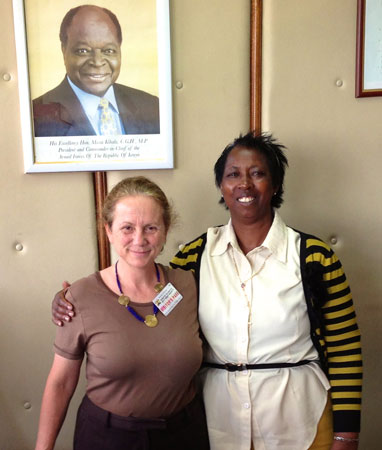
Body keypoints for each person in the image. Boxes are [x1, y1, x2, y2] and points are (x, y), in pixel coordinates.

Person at [53, 132, 362, 450]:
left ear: (276, 185)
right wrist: (74, 302)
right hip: (219, 426)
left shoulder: (313, 256)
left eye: (257, 173)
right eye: (233, 175)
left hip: (300, 422)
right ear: (221, 187)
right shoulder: (193, 259)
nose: (244, 184)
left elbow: (345, 349)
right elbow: (148, 306)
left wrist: (347, 434)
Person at [36, 177, 210, 450]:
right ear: (109, 231)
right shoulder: (79, 298)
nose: (139, 239)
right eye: (127, 228)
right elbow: (59, 384)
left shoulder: (188, 284)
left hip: (184, 435)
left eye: (151, 227)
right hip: (108, 438)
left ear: (165, 231)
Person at [33, 5, 160, 137]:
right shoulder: (36, 118)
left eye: (108, 51)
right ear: (64, 50)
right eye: (83, 51)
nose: (98, 62)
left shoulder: (152, 107)